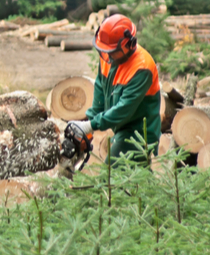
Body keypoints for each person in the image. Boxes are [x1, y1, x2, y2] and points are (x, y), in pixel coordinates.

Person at [66, 14, 161, 164]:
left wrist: (90, 125)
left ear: (129, 45)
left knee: (111, 176)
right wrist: (88, 123)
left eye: (112, 52)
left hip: (139, 132)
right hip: (121, 127)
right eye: (105, 51)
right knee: (134, 180)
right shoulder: (108, 56)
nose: (108, 57)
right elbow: (100, 89)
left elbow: (124, 109)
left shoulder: (142, 68)